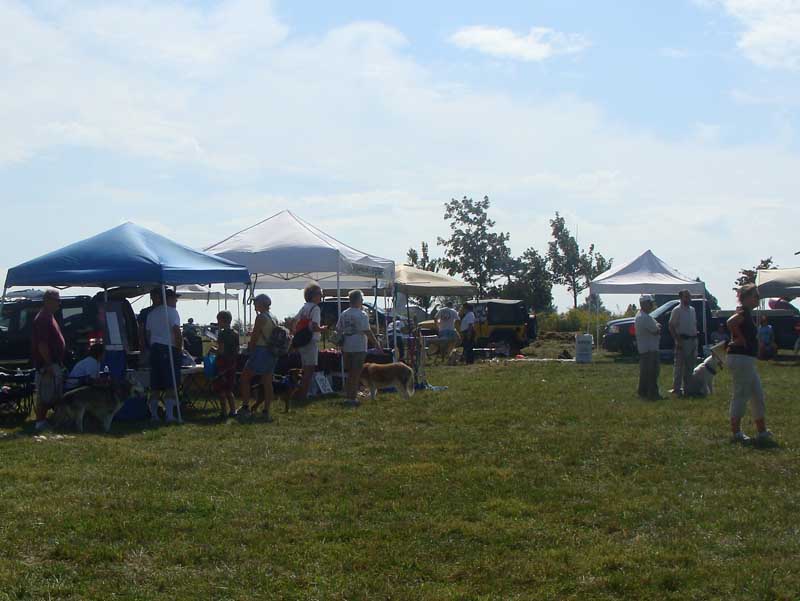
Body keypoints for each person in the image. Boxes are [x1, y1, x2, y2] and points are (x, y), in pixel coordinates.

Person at [727, 284, 773, 445]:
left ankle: (762, 431)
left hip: (746, 359)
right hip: (740, 358)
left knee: (757, 395)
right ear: (746, 298)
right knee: (741, 393)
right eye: (755, 296)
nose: (758, 299)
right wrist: (739, 337)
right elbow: (730, 322)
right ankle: (736, 432)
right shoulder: (743, 312)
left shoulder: (748, 314)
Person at [336, 290, 382, 407]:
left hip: (347, 346)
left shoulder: (344, 314)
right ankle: (351, 397)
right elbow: (367, 331)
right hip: (358, 346)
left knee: (350, 372)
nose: (362, 302)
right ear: (358, 300)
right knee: (356, 373)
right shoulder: (362, 315)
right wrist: (376, 344)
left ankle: (349, 394)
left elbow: (339, 329)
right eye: (361, 300)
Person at [145, 288, 182, 423]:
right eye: (174, 299)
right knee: (170, 384)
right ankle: (169, 415)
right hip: (168, 349)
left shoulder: (151, 313)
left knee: (155, 385)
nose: (176, 301)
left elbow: (148, 335)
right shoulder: (172, 312)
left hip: (155, 348)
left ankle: (154, 415)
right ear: (168, 299)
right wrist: (179, 349)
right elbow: (177, 332)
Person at [31, 289, 66, 431]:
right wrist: (49, 364)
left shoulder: (50, 316)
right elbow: (42, 344)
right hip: (47, 364)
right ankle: (40, 422)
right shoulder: (43, 318)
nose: (59, 303)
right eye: (57, 300)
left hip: (55, 362)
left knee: (53, 392)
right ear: (48, 300)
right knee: (45, 393)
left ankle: (52, 420)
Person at [239, 295, 277, 420]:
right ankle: (266, 409)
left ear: (261, 303)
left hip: (260, 350)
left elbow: (254, 337)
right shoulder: (273, 317)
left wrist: (250, 349)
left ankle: (245, 406)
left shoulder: (260, 317)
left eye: (256, 302)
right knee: (267, 381)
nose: (254, 304)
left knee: (245, 377)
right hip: (271, 351)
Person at [292, 283, 327, 402]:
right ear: (314, 295)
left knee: (304, 368)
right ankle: (303, 394)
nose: (321, 297)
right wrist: (323, 328)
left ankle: (299, 392)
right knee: (309, 369)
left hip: (302, 341)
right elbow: (315, 326)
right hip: (311, 341)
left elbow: (294, 321)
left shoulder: (304, 307)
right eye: (320, 295)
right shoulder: (315, 308)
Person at [668, 290, 698, 396]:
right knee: (679, 367)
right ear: (681, 298)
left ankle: (688, 389)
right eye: (686, 297)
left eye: (689, 297)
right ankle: (676, 389)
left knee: (690, 366)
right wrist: (677, 340)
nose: (688, 299)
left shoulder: (692, 310)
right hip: (682, 340)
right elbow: (671, 326)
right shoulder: (677, 310)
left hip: (693, 340)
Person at [634, 295, 662, 400]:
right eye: (650, 303)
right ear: (644, 304)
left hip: (648, 348)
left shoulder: (643, 316)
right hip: (649, 349)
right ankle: (652, 393)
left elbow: (656, 326)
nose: (652, 305)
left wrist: (657, 326)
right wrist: (658, 327)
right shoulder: (644, 317)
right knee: (652, 372)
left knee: (646, 372)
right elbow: (656, 330)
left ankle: (643, 392)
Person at [213, 310, 239, 419]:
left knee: (221, 390)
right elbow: (237, 349)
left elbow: (221, 350)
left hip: (222, 363)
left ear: (222, 320)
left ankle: (224, 411)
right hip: (232, 363)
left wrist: (213, 350)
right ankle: (233, 410)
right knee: (229, 389)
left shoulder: (222, 334)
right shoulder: (235, 333)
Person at [137, 288, 161, 367]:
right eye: (154, 296)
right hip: (148, 345)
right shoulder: (145, 312)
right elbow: (141, 328)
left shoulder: (165, 312)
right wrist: (142, 343)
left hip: (161, 346)